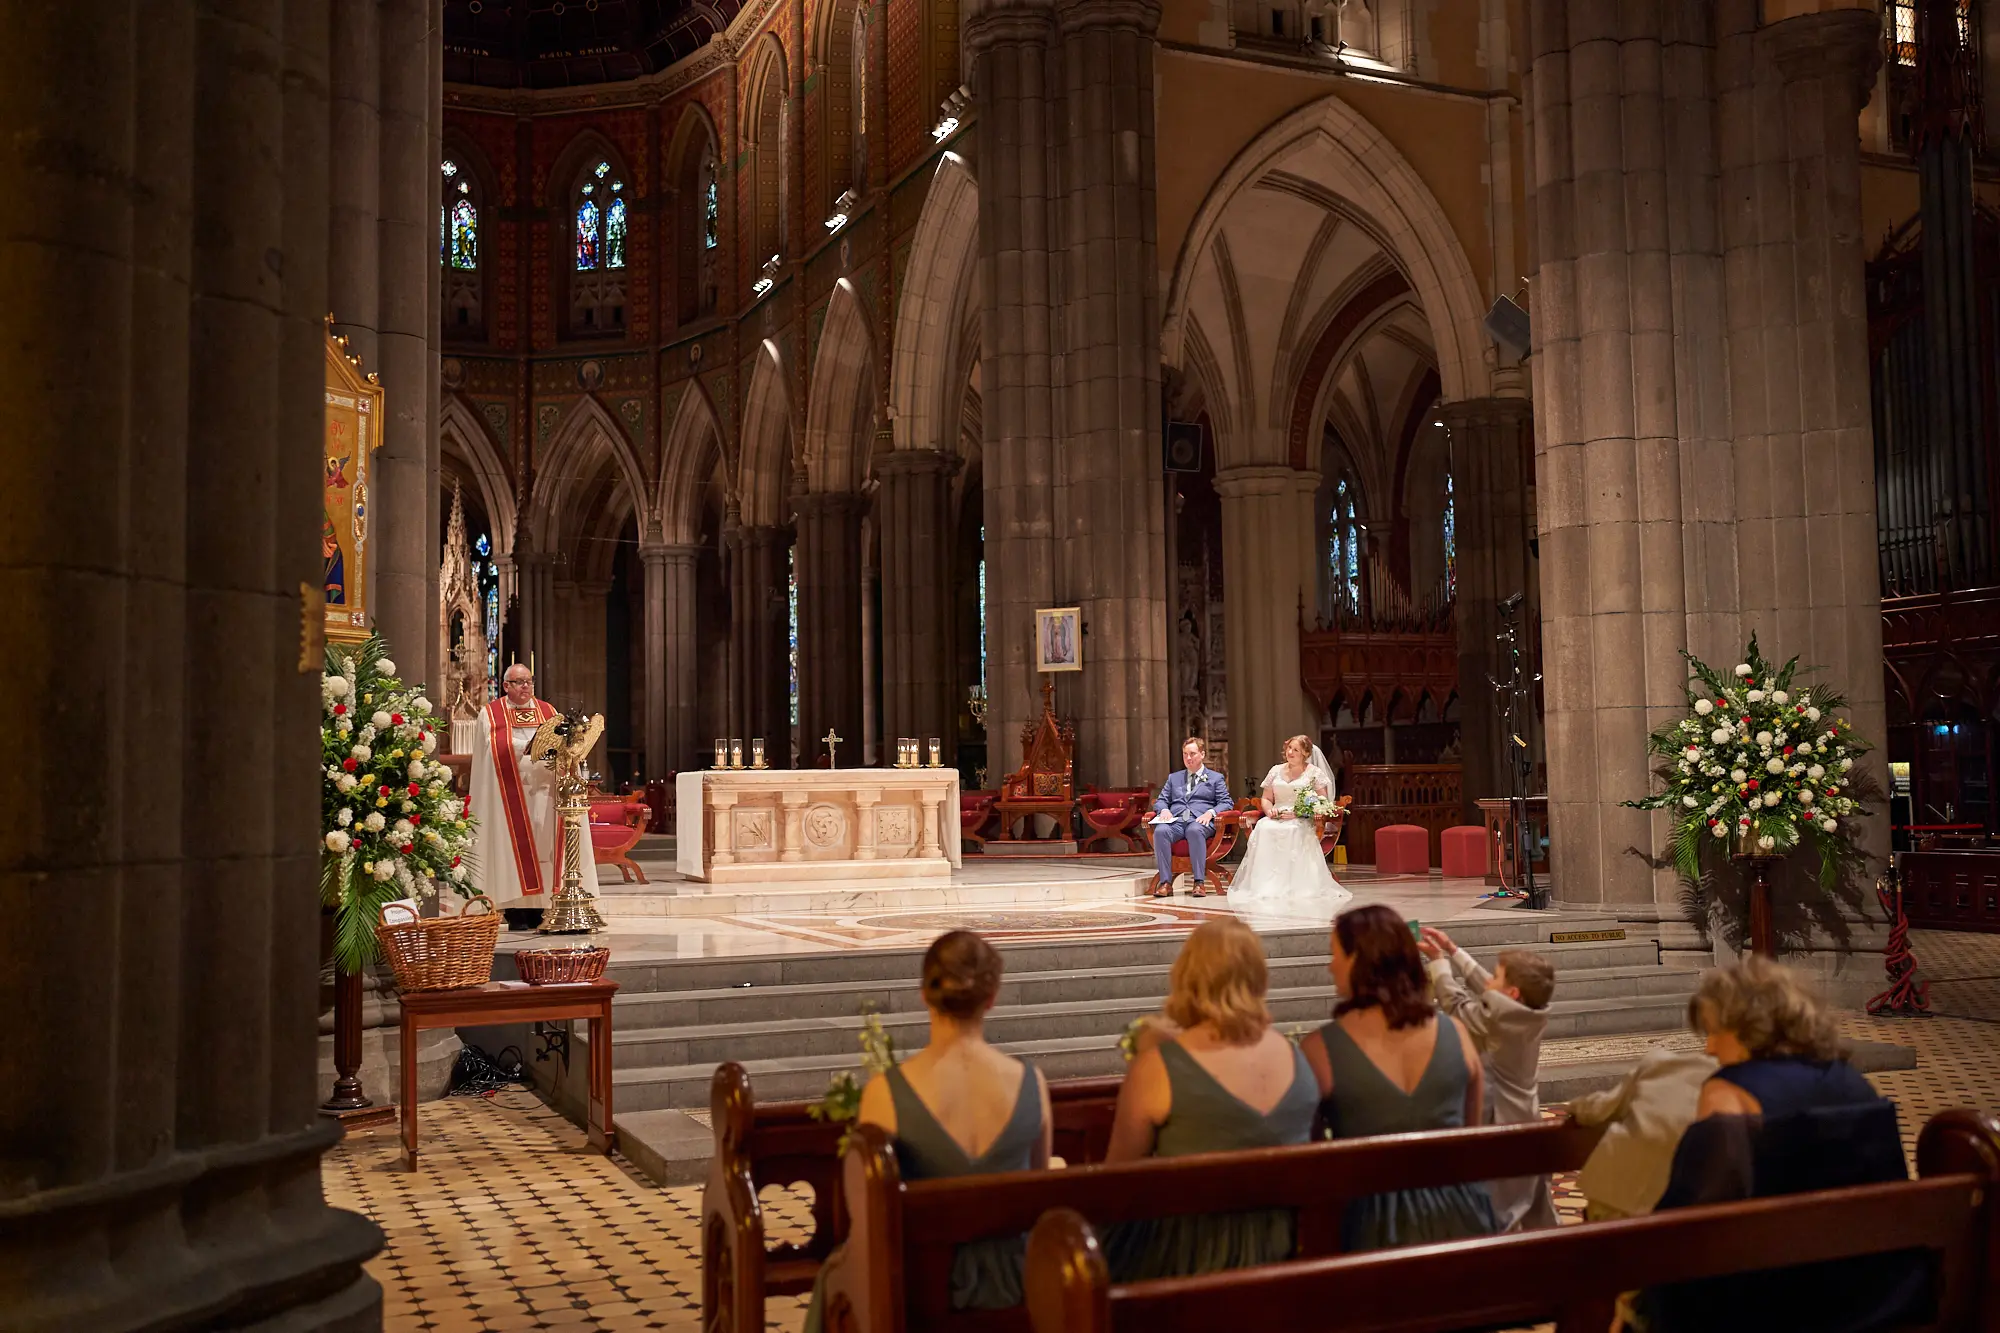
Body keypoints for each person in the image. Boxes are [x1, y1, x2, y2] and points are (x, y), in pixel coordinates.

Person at [1618, 957, 1927, 1333]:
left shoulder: (1731, 1091)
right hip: (1879, 1292)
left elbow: (1688, 1215)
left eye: (1717, 1032)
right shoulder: (1850, 1080)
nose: (1709, 1049)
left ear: (1751, 1027)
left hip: (1776, 1305)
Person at [804, 931, 1052, 1330]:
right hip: (1015, 1288)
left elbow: (865, 1214)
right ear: (991, 999)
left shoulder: (886, 1093)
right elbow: (1037, 1194)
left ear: (925, 994)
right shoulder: (1031, 1084)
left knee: (835, 1275)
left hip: (921, 1291)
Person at [1103, 919, 1319, 1279]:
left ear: (1187, 975)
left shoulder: (1160, 1067)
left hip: (1190, 1258)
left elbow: (1117, 1180)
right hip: (1288, 1251)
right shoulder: (1294, 1056)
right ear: (1257, 977)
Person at [1300, 904, 1499, 1250]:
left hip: (1368, 1229)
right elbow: (1472, 1135)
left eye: (1336, 954)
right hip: (1462, 1221)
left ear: (1359, 960)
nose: (1330, 965)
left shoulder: (1320, 1049)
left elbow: (1311, 1160)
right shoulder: (1457, 1033)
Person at [1418, 925, 1559, 1230]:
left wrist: (1439, 962)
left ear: (1513, 993)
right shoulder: (1531, 1010)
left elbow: (1455, 1004)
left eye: (1497, 975)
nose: (1489, 980)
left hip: (1501, 1120)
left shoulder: (1496, 1018)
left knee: (1500, 1208)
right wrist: (1454, 951)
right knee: (1533, 1202)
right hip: (1528, 1118)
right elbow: (1492, 992)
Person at [468, 663, 599, 907]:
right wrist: (525, 749)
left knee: (544, 849)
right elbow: (490, 750)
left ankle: (546, 904)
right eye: (519, 682)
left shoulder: (547, 710)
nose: (526, 686)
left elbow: (564, 744)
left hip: (544, 792)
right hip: (507, 795)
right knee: (513, 850)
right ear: (506, 686)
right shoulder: (490, 714)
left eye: (529, 680)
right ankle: (516, 909)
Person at [1566, 1045, 1717, 1221]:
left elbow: (1597, 1111)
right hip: (1693, 1217)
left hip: (1617, 1198)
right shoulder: (1744, 1088)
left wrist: (1576, 1107)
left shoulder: (1663, 1065)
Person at [1226, 734, 1352, 916]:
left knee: (1293, 830)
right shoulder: (1275, 770)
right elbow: (1266, 798)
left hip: (1301, 818)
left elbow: (1322, 801)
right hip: (1276, 815)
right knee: (1264, 828)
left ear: (1305, 754)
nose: (1290, 752)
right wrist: (1269, 811)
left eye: (1296, 750)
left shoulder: (1314, 773)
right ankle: (1266, 884)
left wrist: (1300, 812)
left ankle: (1295, 885)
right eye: (1289, 748)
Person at [1149, 737, 1232, 898]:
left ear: (1202, 754)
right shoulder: (1174, 778)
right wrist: (1164, 810)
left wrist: (1210, 813)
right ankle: (1165, 883)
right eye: (1185, 754)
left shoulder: (1215, 778)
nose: (1188, 758)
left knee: (1194, 830)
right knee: (1161, 831)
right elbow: (1161, 801)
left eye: (1192, 754)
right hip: (1177, 821)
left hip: (1201, 821)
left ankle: (1199, 882)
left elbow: (1226, 802)